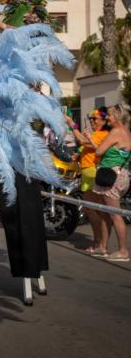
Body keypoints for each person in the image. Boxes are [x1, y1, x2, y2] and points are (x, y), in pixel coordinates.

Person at [66, 108, 110, 255]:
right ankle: (99, 243)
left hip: (92, 172)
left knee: (94, 210)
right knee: (91, 209)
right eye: (91, 118)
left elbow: (84, 141)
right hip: (87, 172)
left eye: (95, 118)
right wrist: (79, 156)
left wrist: (72, 125)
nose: (92, 120)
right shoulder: (97, 134)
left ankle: (100, 243)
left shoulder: (102, 133)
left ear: (104, 120)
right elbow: (87, 147)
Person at [93, 104, 131, 262]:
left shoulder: (116, 132)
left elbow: (98, 151)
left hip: (112, 177)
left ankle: (123, 251)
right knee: (106, 212)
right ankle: (103, 247)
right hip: (121, 175)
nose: (107, 117)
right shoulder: (127, 132)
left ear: (117, 116)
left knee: (115, 215)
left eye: (108, 115)